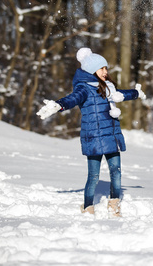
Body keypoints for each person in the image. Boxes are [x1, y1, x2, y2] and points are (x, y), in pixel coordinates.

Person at [36, 47, 146, 217]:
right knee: (94, 175)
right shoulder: (84, 89)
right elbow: (72, 99)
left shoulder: (108, 88)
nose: (105, 71)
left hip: (110, 135)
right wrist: (58, 105)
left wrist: (137, 93)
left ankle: (114, 203)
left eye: (106, 68)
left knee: (116, 171)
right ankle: (88, 206)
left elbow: (121, 94)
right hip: (93, 137)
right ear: (91, 70)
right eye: (101, 68)